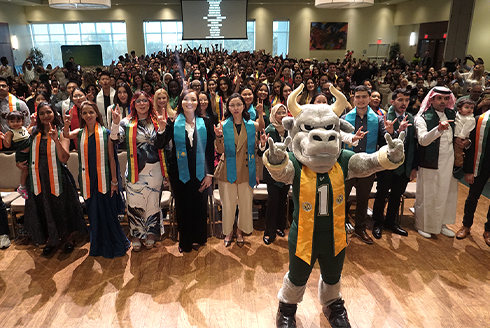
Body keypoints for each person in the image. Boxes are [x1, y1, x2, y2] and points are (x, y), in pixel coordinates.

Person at [63, 101, 129, 258]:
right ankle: (98, 245)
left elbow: (112, 159)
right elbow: (66, 135)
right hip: (88, 179)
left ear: (96, 114)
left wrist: (114, 181)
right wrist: (66, 124)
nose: (88, 115)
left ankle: (114, 243)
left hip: (104, 179)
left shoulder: (105, 133)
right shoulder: (80, 132)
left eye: (91, 112)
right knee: (93, 213)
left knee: (108, 212)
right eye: (84, 113)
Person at [22, 102, 87, 256]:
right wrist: (20, 164)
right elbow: (22, 149)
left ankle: (68, 238)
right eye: (42, 113)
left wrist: (55, 139)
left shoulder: (61, 132)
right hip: (38, 177)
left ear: (55, 113)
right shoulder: (32, 132)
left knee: (63, 207)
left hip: (59, 176)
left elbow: (64, 157)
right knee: (45, 207)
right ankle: (51, 239)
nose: (46, 116)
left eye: (48, 112)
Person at [157, 90, 215, 253]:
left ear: (198, 103)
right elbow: (159, 145)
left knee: (199, 205)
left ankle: (198, 238)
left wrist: (210, 174)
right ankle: (185, 241)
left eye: (193, 99)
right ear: (181, 102)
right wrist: (161, 129)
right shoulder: (173, 122)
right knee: (183, 207)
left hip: (201, 172)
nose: (189, 102)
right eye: (186, 99)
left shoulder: (206, 122)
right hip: (179, 172)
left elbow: (210, 149)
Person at [110, 91, 166, 251]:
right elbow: (115, 140)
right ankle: (136, 235)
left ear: (150, 103)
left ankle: (151, 234)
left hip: (154, 169)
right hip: (135, 169)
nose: (142, 104)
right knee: (134, 204)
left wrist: (162, 129)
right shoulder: (126, 122)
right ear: (133, 104)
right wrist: (114, 123)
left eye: (145, 101)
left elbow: (161, 145)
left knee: (153, 203)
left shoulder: (157, 121)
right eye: (138, 101)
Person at [342, 85, 396, 244]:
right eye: (357, 97)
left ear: (369, 98)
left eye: (364, 97)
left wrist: (390, 132)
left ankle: (360, 228)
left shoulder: (378, 119)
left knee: (363, 199)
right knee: (341, 198)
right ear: (353, 98)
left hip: (367, 166)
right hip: (348, 165)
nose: (360, 100)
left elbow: (385, 138)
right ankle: (339, 228)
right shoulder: (344, 119)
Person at [414, 87, 463, 238]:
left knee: (446, 194)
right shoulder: (422, 117)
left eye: (446, 99)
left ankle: (441, 223)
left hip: (449, 161)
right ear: (432, 99)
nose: (443, 101)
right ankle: (422, 225)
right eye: (439, 98)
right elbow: (422, 141)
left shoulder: (452, 115)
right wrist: (438, 130)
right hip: (430, 162)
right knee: (428, 194)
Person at [214, 93, 260, 247]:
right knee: (228, 204)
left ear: (243, 106)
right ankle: (228, 232)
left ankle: (240, 231)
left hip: (247, 169)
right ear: (228, 107)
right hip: (227, 170)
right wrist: (219, 136)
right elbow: (220, 150)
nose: (235, 108)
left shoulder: (252, 125)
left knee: (246, 204)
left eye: (238, 105)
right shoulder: (223, 125)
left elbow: (254, 150)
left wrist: (257, 173)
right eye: (232, 105)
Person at [372, 89, 417, 239]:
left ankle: (391, 222)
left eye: (406, 100)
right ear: (392, 102)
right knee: (381, 195)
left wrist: (413, 167)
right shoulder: (384, 117)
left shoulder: (410, 117)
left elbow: (413, 145)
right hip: (387, 165)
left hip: (404, 166)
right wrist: (395, 132)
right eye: (400, 100)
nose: (404, 103)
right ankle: (377, 222)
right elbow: (382, 143)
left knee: (396, 197)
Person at [456, 109, 490, 246]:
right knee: (472, 197)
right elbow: (470, 146)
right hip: (481, 165)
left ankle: (489, 230)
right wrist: (469, 170)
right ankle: (466, 225)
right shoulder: (479, 120)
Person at [257, 103, 290, 245]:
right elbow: (260, 152)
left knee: (283, 200)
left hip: (286, 172)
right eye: (279, 113)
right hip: (271, 173)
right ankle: (269, 232)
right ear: (273, 114)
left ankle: (279, 226)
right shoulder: (269, 129)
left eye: (284, 112)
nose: (282, 116)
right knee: (272, 202)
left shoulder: (290, 130)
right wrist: (263, 144)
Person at [0, 111, 31, 198]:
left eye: (18, 121)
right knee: (25, 171)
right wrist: (3, 138)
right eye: (12, 121)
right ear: (8, 122)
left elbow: (28, 132)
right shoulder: (10, 132)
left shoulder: (24, 128)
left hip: (29, 154)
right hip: (21, 154)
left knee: (30, 171)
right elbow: (7, 145)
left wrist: (32, 122)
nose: (15, 124)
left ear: (23, 121)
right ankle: (22, 187)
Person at [453, 99, 476, 169]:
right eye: (467, 107)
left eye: (472, 108)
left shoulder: (470, 119)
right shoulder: (457, 115)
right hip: (454, 136)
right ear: (459, 109)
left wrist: (460, 137)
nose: (469, 109)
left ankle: (458, 165)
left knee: (458, 152)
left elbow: (466, 129)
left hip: (461, 138)